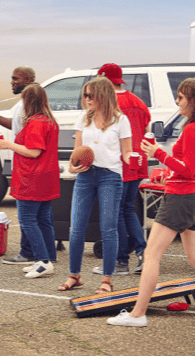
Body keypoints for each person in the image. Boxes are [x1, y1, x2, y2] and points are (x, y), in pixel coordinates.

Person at [108, 77, 195, 328]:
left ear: (193, 100)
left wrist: (158, 154)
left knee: (152, 254)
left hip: (182, 197)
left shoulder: (193, 129)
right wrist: (169, 171)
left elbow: (187, 169)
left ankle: (138, 314)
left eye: (181, 97)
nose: (177, 101)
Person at [59, 76, 132, 293]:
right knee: (76, 229)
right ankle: (74, 275)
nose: (87, 99)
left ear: (103, 95)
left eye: (91, 95)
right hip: (85, 175)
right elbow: (77, 149)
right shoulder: (84, 118)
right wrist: (71, 167)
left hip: (110, 175)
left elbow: (127, 152)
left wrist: (134, 159)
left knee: (108, 229)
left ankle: (106, 281)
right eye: (85, 95)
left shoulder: (121, 120)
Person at [0, 84, 59, 279]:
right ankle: (48, 256)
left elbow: (33, 151)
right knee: (44, 218)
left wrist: (9, 145)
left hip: (32, 177)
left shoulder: (36, 123)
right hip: (47, 176)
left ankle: (42, 261)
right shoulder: (49, 120)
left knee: (28, 220)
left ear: (28, 101)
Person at [96, 63, 150, 275]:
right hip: (136, 161)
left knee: (117, 211)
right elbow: (146, 128)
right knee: (127, 208)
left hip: (118, 163)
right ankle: (143, 253)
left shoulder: (108, 104)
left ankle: (120, 261)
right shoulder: (138, 101)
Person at [0, 66, 38, 265]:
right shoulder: (23, 104)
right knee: (39, 214)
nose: (12, 82)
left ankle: (30, 253)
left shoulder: (29, 106)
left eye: (16, 78)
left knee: (27, 215)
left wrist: (9, 145)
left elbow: (29, 137)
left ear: (28, 80)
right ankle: (42, 253)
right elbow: (16, 126)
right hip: (24, 162)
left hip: (27, 164)